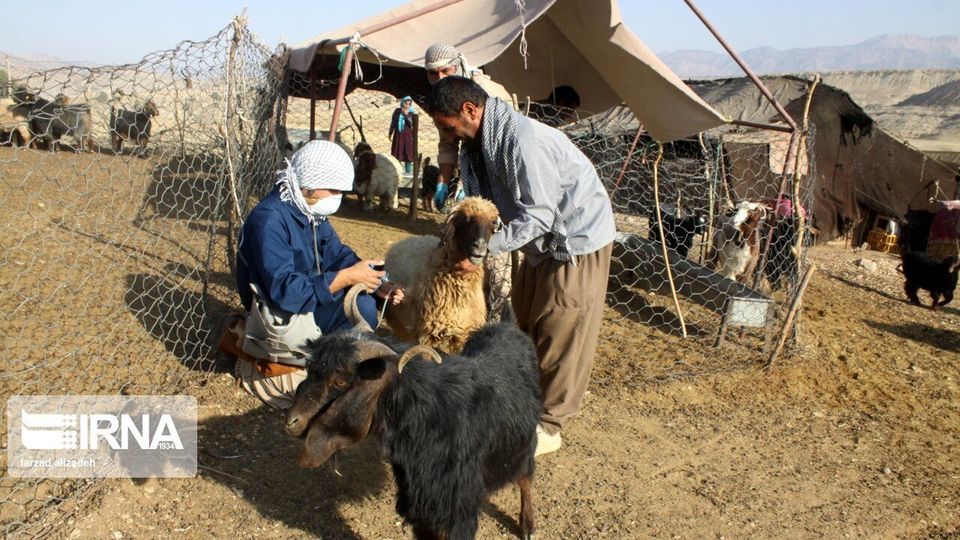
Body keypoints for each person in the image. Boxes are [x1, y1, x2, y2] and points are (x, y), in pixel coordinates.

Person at [423, 76, 616, 456]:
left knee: (561, 326)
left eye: (448, 126)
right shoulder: (481, 145)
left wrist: (482, 251)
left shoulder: (523, 141)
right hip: (539, 244)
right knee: (527, 321)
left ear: (470, 110)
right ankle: (522, 403)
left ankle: (549, 425)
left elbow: (539, 215)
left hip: (573, 241)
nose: (448, 136)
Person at [230, 140, 403, 409]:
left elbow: (336, 252)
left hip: (305, 296)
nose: (338, 197)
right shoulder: (269, 221)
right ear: (309, 183)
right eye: (333, 190)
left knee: (364, 303)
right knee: (357, 310)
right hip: (279, 309)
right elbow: (285, 291)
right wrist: (346, 278)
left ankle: (331, 365)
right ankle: (322, 370)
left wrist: (375, 280)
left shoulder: (306, 210)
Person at [422, 43, 516, 211]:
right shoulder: (440, 101)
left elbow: (510, 135)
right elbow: (448, 143)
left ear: (456, 67)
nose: (440, 78)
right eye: (433, 73)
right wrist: (442, 184)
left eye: (445, 70)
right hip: (474, 162)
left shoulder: (485, 91)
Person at [388, 96, 416, 175]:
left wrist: (406, 115)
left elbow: (412, 125)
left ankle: (408, 173)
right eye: (405, 104)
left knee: (408, 154)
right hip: (398, 136)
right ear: (402, 103)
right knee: (397, 153)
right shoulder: (397, 111)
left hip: (408, 137)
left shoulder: (411, 112)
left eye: (409, 104)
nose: (407, 106)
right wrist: (390, 133)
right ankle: (397, 172)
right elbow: (393, 122)